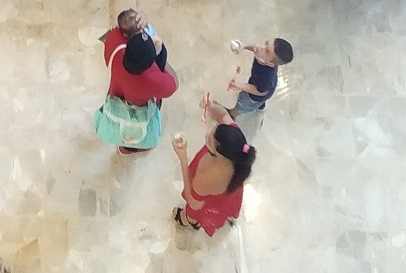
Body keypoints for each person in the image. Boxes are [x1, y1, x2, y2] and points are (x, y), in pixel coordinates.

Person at [172, 104, 256, 236]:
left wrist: (183, 157)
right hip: (227, 190)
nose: (207, 135)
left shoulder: (211, 177)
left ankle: (190, 220)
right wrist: (210, 105)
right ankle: (230, 215)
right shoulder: (236, 141)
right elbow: (223, 115)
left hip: (208, 197)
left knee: (193, 213)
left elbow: (194, 203)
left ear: (220, 154)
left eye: (209, 141)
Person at [95, 27, 178, 154]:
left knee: (122, 126)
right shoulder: (155, 80)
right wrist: (160, 52)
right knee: (140, 130)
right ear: (149, 64)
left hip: (115, 97)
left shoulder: (114, 42)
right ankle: (138, 145)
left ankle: (124, 146)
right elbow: (174, 84)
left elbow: (122, 26)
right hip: (142, 110)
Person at [228, 37, 293, 118]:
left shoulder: (266, 77)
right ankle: (261, 105)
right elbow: (255, 48)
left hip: (255, 96)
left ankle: (232, 115)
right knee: (261, 99)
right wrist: (243, 46)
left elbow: (260, 91)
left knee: (241, 106)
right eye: (266, 43)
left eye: (266, 51)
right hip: (264, 87)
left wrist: (238, 85)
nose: (260, 46)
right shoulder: (262, 56)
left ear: (269, 64)